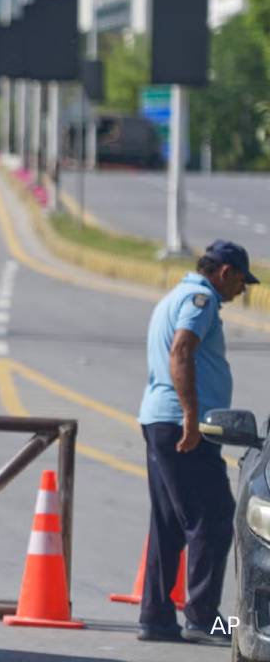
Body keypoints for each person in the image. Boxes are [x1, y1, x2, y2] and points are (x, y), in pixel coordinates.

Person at [136, 240, 254, 646]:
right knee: (214, 518)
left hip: (160, 420)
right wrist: (191, 416)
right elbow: (181, 350)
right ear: (225, 272)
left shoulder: (176, 295)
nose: (242, 289)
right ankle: (203, 618)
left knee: (169, 523)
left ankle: (155, 616)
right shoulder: (200, 301)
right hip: (182, 426)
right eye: (241, 280)